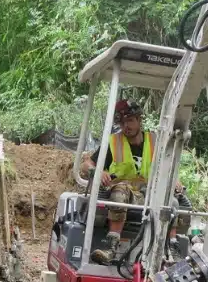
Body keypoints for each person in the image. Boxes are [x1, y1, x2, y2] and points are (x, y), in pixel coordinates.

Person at [82, 99, 191, 264]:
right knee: (120, 192)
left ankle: (172, 249)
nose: (127, 125)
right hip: (125, 194)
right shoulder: (114, 142)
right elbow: (87, 164)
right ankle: (112, 247)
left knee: (172, 201)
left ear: (139, 120)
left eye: (130, 120)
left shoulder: (156, 142)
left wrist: (175, 181)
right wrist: (97, 171)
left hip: (148, 194)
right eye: (123, 122)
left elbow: (167, 168)